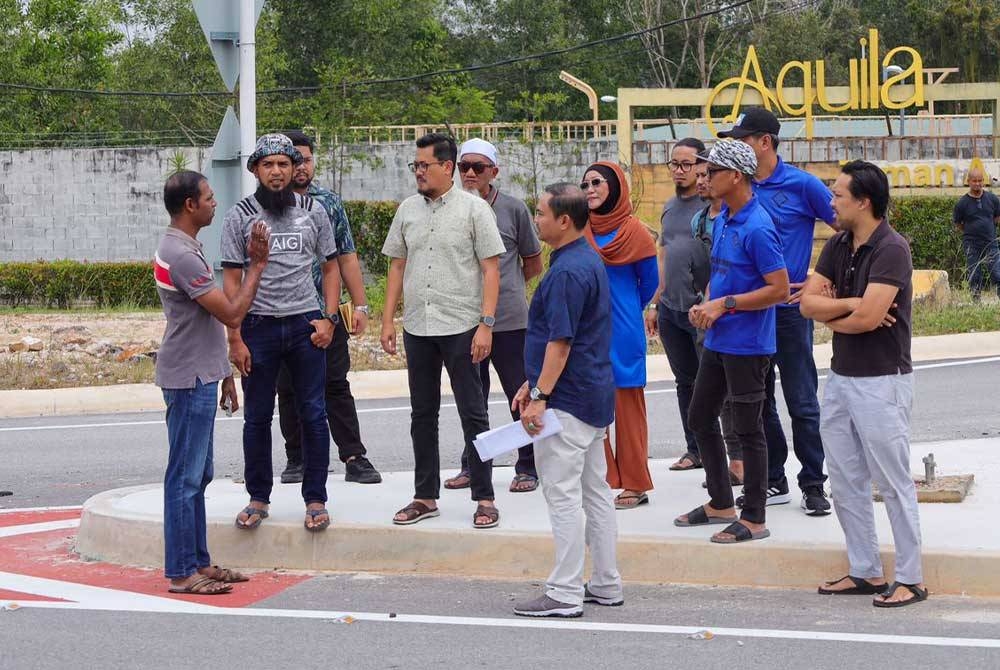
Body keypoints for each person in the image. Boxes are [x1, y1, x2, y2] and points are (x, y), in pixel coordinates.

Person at [801, 160, 926, 607]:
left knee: (893, 482)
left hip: (882, 383)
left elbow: (874, 319)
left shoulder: (892, 249)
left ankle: (911, 578)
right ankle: (866, 571)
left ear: (863, 201)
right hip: (840, 378)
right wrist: (851, 305)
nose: (831, 202)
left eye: (837, 195)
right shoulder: (837, 244)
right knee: (846, 479)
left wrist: (842, 312)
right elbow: (807, 306)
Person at [381, 132, 506, 529]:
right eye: (415, 166)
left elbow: (491, 268)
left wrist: (486, 325)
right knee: (422, 414)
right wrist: (388, 319)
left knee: (474, 413)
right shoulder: (407, 210)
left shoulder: (474, 210)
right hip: (418, 326)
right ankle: (425, 495)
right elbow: (397, 265)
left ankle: (484, 496)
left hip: (463, 326)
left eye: (424, 165)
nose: (418, 172)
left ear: (447, 167)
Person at [220, 133, 342, 533]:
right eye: (268, 165)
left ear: (295, 169)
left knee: (313, 413)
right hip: (258, 327)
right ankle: (258, 498)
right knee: (257, 417)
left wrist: (328, 318)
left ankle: (316, 499)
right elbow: (232, 279)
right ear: (256, 169)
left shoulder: (314, 211)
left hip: (305, 325)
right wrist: (235, 337)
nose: (276, 172)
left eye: (284, 165)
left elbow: (330, 267)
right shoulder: (240, 215)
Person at [155, 170, 269, 594]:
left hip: (200, 372)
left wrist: (224, 376)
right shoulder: (181, 254)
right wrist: (257, 264)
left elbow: (205, 321)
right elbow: (232, 313)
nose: (214, 202)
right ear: (190, 205)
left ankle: (198, 562)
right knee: (184, 479)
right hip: (187, 378)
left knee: (197, 478)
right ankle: (183, 572)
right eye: (208, 196)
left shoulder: (185, 247)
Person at [720, 107, 837, 516]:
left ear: (765, 142)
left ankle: (813, 483)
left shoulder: (803, 185)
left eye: (743, 140)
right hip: (750, 314)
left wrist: (821, 278)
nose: (737, 147)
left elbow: (849, 227)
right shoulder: (739, 189)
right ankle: (773, 478)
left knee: (802, 398)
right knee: (759, 399)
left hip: (787, 312)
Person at [512, 183, 622, 618]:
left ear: (563, 221)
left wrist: (539, 395)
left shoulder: (565, 273)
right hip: (592, 397)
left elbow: (560, 343)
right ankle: (607, 584)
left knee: (562, 495)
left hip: (569, 403)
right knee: (595, 493)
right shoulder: (586, 261)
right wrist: (531, 382)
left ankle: (564, 592)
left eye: (540, 213)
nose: (535, 219)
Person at [672, 140, 789, 544]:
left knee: (748, 429)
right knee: (700, 417)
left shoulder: (758, 226)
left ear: (735, 176)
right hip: (720, 339)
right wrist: (707, 303)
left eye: (712, 172)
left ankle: (754, 517)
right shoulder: (723, 219)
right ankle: (720, 501)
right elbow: (723, 276)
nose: (704, 178)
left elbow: (778, 289)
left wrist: (727, 304)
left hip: (749, 345)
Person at [274, 130, 382, 486]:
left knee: (335, 384)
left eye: (307, 159)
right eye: (295, 160)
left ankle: (354, 456)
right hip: (283, 314)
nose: (302, 167)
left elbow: (347, 257)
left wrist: (361, 304)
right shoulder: (267, 205)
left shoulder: (328, 203)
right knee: (288, 389)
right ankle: (297, 457)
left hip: (327, 313)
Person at [443, 138, 543, 494]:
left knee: (521, 395)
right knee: (472, 399)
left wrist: (506, 289)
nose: (469, 173)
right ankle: (473, 465)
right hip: (464, 322)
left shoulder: (513, 209)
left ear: (493, 172)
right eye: (464, 166)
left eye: (478, 167)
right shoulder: (447, 208)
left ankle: (528, 465)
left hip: (510, 322)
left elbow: (533, 262)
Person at [645, 139, 742, 484]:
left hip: (705, 311)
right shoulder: (671, 208)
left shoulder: (717, 210)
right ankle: (695, 449)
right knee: (685, 382)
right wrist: (655, 302)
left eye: (688, 164)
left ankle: (736, 459)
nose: (680, 170)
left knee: (719, 385)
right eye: (675, 163)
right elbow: (663, 256)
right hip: (671, 308)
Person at [581, 161, 658, 510]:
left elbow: (650, 283)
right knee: (590, 405)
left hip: (623, 327)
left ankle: (635, 482)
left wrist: (626, 307)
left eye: (597, 182)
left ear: (615, 186)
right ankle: (601, 478)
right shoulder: (580, 229)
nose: (590, 189)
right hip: (587, 328)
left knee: (627, 407)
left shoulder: (635, 232)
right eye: (585, 184)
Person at [952, 167, 1000, 301]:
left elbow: (997, 217)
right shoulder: (962, 203)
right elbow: (958, 223)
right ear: (968, 181)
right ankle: (976, 301)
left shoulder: (992, 199)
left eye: (980, 181)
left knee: (997, 273)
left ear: (983, 181)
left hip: (991, 243)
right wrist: (971, 231)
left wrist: (989, 228)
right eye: (974, 181)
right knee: (974, 274)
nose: (977, 183)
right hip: (971, 244)